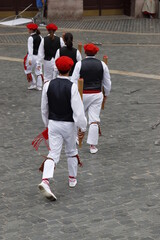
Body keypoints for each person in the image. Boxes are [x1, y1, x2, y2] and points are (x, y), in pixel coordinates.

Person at [39, 56, 87, 201]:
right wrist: (82, 128)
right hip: (68, 124)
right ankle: (72, 179)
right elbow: (78, 112)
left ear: (57, 69)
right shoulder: (72, 87)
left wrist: (47, 124)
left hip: (53, 122)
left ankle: (45, 180)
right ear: (70, 69)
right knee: (71, 151)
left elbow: (44, 108)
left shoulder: (48, 84)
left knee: (53, 153)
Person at [71, 43, 111, 154]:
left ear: (85, 52)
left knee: (78, 115)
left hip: (82, 94)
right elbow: (107, 82)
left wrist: (73, 95)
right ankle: (92, 145)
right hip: (97, 94)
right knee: (94, 120)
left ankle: (76, 138)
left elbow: (73, 81)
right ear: (96, 53)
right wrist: (106, 94)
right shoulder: (102, 64)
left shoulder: (79, 64)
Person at [24, 23, 43, 90]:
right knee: (39, 71)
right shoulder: (40, 37)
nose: (28, 30)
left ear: (31, 30)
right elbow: (41, 48)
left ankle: (33, 84)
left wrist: (29, 59)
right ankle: (39, 86)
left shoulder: (30, 38)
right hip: (39, 56)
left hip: (32, 57)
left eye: (28, 29)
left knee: (28, 70)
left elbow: (30, 49)